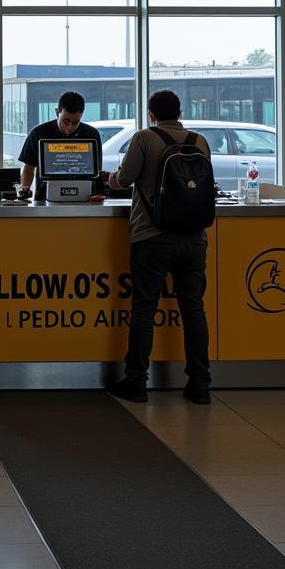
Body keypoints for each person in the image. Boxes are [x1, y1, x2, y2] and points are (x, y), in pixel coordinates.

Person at [105, 90, 212, 405]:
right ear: (180, 112)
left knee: (144, 308)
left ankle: (136, 382)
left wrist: (107, 178)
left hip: (151, 236)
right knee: (193, 309)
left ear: (151, 113)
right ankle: (200, 385)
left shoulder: (143, 138)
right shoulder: (199, 141)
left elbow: (124, 180)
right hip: (194, 238)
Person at [17, 91, 102, 201]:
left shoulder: (92, 135)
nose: (70, 127)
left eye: (76, 122)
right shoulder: (38, 133)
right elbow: (28, 169)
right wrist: (25, 191)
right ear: (57, 112)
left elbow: (97, 171)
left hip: (83, 198)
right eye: (66, 121)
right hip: (44, 200)